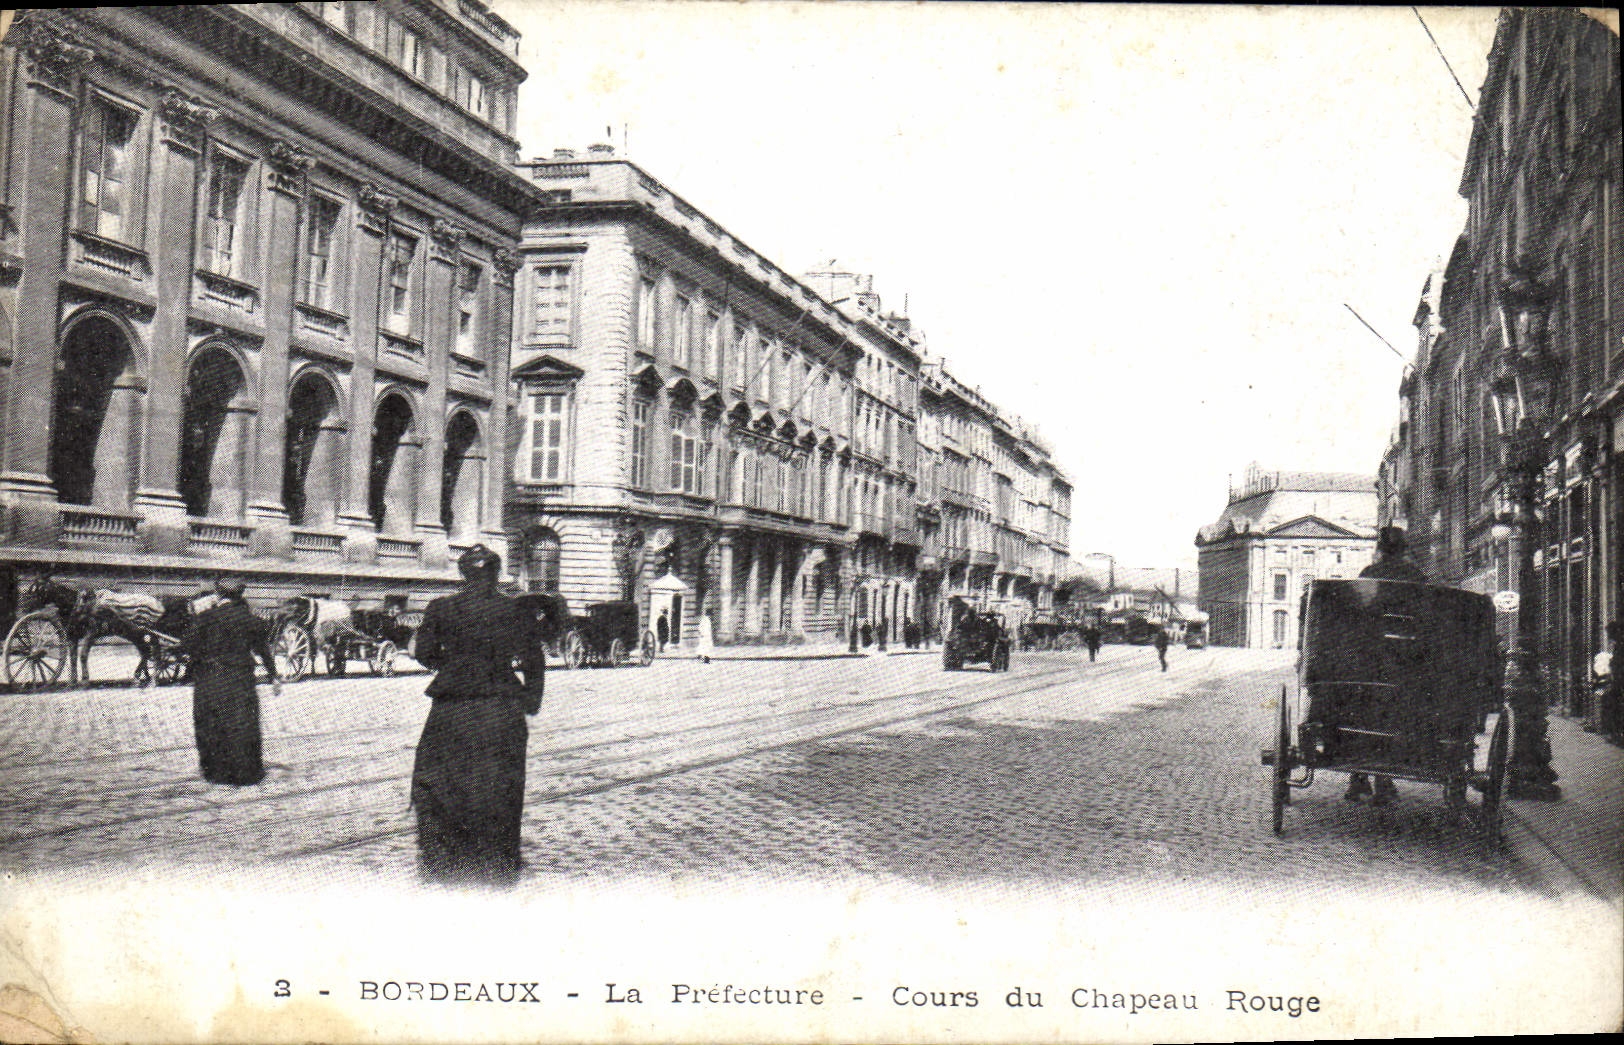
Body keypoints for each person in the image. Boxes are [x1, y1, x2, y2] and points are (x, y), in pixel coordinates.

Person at [410, 545, 546, 887]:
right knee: (501, 783)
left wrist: (456, 667)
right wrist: (531, 701)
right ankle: (497, 860)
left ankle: (446, 859)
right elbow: (534, 661)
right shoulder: (516, 610)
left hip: (452, 709)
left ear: (462, 574)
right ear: (496, 574)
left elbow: (424, 653)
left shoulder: (441, 608)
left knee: (444, 781)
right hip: (501, 709)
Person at [1346, 525, 1426, 805]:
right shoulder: (1416, 577)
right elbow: (1425, 619)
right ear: (1404, 549)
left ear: (1380, 549)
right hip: (1408, 661)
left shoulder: (1368, 574)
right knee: (1399, 712)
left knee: (1360, 709)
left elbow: (1358, 615)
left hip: (1371, 658)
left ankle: (1359, 776)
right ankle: (1384, 778)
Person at [183, 576, 279, 787]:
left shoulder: (206, 617)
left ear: (218, 594)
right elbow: (263, 650)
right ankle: (246, 772)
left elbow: (188, 645)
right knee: (242, 724)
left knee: (210, 723)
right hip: (240, 679)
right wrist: (274, 676)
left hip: (209, 679)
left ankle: (215, 772)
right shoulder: (250, 620)